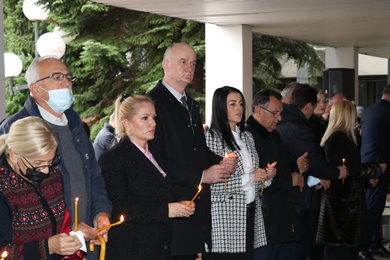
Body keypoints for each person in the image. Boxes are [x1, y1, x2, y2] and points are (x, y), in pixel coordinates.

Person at [0, 56, 112, 259]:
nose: (66, 82)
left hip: (75, 242)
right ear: (35, 89)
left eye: (68, 77)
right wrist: (50, 245)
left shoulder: (75, 123)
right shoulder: (18, 128)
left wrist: (99, 213)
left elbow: (94, 179)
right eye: (56, 77)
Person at [146, 43, 237, 260]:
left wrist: (221, 162)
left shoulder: (191, 105)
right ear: (165, 65)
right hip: (171, 207)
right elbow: (155, 159)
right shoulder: (152, 104)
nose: (190, 68)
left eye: (193, 63)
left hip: (195, 204)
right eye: (183, 62)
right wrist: (202, 175)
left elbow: (196, 149)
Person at [98, 95, 195, 259]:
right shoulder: (114, 158)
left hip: (159, 246)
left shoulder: (154, 153)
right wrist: (165, 210)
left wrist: (180, 204)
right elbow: (117, 209)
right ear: (127, 124)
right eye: (145, 118)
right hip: (131, 249)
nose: (153, 123)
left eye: (154, 117)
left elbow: (162, 189)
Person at [276, 83, 348, 260]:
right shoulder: (298, 127)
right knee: (299, 247)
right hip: (296, 196)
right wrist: (337, 172)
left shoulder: (290, 122)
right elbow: (314, 160)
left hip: (296, 191)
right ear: (308, 106)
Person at [204, 86, 275, 259]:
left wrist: (266, 177)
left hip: (250, 211)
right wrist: (250, 178)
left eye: (241, 104)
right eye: (233, 104)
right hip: (225, 218)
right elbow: (211, 187)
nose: (239, 109)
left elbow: (254, 181)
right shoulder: (211, 138)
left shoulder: (247, 137)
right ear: (220, 107)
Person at [0, 117, 83, 259]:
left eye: (50, 161)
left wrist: (75, 231)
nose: (46, 171)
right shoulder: (4, 189)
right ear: (14, 155)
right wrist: (48, 247)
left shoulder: (52, 175)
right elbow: (2, 252)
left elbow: (58, 224)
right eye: (38, 163)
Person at [317, 100, 385, 260]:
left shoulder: (339, 137)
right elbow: (349, 169)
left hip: (343, 204)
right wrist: (375, 169)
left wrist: (368, 180)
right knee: (341, 252)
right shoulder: (339, 138)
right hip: (342, 206)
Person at [245, 89, 304, 260]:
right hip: (266, 219)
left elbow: (282, 164)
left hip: (283, 214)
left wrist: (296, 165)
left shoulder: (274, 135)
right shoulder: (248, 136)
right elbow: (258, 176)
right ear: (258, 110)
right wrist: (288, 180)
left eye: (281, 113)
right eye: (275, 113)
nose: (279, 118)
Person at [359, 84, 390, 259]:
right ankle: (363, 247)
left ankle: (374, 243)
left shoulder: (371, 109)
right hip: (377, 166)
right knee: (372, 208)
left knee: (376, 208)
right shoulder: (386, 111)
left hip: (371, 163)